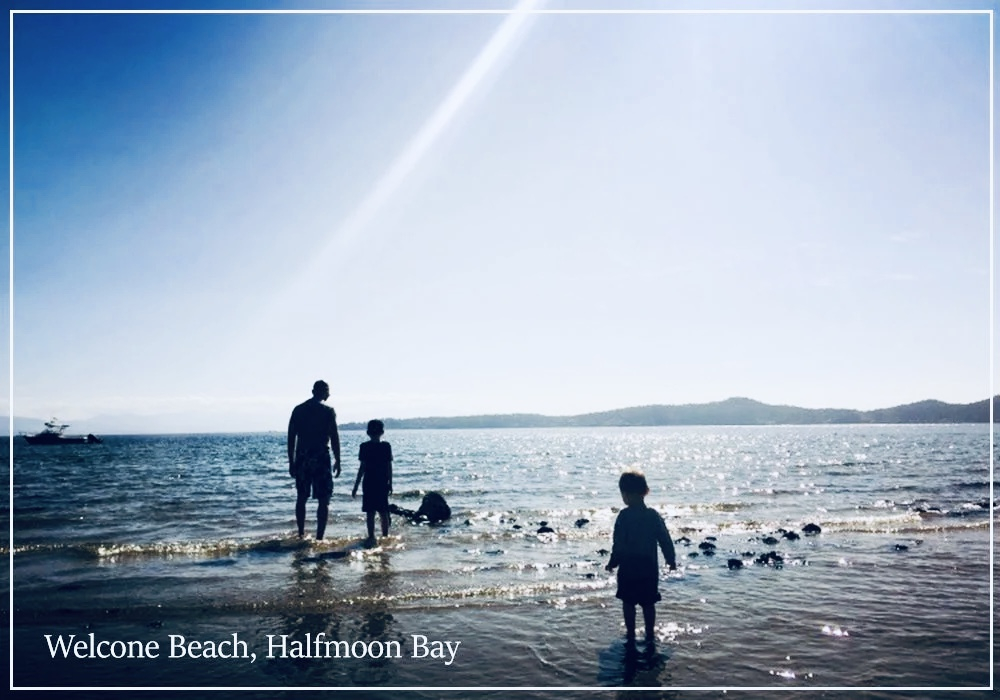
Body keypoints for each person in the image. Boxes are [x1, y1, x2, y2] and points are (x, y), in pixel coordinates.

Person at [605, 471, 677, 643]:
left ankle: (630, 633)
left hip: (629, 568)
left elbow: (619, 545)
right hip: (648, 568)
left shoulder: (624, 516)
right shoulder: (652, 516)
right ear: (645, 491)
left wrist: (612, 562)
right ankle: (649, 633)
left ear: (626, 495)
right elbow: (665, 539)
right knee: (648, 602)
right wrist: (670, 559)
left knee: (628, 603)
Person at [287, 380, 341, 539]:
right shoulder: (328, 411)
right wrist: (338, 459)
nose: (329, 394)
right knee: (323, 499)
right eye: (328, 391)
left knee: (301, 497)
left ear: (312, 391)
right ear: (323, 392)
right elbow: (334, 437)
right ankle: (319, 537)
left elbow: (291, 438)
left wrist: (291, 461)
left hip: (302, 456)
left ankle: (301, 533)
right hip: (321, 456)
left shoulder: (298, 410)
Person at [351, 419, 393, 547]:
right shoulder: (386, 446)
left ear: (368, 432)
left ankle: (371, 537)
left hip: (369, 482)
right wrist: (390, 482)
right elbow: (389, 466)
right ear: (382, 432)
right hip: (381, 482)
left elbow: (362, 468)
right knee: (383, 511)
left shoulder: (365, 447)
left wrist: (356, 486)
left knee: (370, 512)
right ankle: (385, 537)